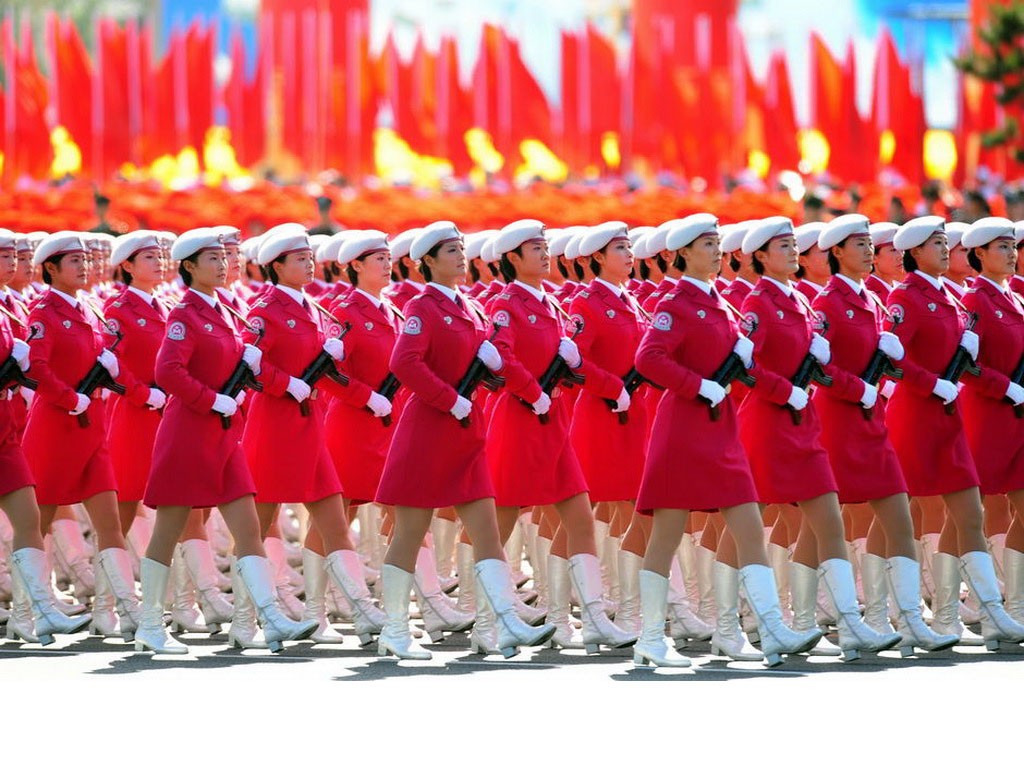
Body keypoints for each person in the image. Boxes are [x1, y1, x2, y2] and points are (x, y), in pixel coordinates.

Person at [632, 214, 822, 667]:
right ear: (683, 254)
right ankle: (650, 639)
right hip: (683, 428)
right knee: (667, 533)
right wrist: (697, 385)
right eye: (706, 243)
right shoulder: (675, 303)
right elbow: (648, 358)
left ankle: (772, 629)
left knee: (749, 524)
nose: (717, 250)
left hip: (720, 429)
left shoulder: (721, 302)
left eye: (718, 243)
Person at [374, 221, 555, 659]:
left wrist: (490, 373)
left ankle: (506, 623)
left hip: (464, 428)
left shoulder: (469, 306)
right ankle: (395, 630)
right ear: (428, 262)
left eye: (461, 248)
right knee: (410, 531)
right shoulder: (424, 306)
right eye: (449, 251)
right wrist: (447, 398)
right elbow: (405, 362)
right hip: (429, 429)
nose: (459, 256)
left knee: (487, 530)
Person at [134, 227, 318, 654]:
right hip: (188, 434)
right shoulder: (185, 314)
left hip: (223, 434)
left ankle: (268, 617)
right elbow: (168, 372)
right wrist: (210, 399)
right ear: (190, 267)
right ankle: (149, 625)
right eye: (211, 259)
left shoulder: (225, 313)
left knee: (248, 526)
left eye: (223, 257)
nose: (221, 265)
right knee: (169, 529)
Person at [738, 216, 901, 661]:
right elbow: (747, 367)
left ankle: (829, 623)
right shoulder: (759, 304)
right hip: (770, 424)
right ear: (760, 257)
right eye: (783, 246)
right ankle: (740, 623)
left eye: (795, 245)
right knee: (750, 528)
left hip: (802, 423)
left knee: (826, 522)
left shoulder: (798, 301)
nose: (794, 251)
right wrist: (785, 389)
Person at [484, 219, 636, 654]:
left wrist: (566, 370)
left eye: (544, 246)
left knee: (580, 516)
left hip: (554, 419)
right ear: (513, 258)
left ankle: (587, 620)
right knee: (504, 521)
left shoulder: (549, 302)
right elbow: (501, 357)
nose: (544, 253)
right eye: (534, 248)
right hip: (521, 417)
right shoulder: (507, 303)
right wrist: (534, 392)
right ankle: (488, 621)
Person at [812, 214, 959, 655]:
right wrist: (858, 386)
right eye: (858, 244)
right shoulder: (827, 303)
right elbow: (820, 368)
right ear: (836, 252)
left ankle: (903, 617)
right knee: (819, 526)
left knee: (898, 513)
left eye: (868, 244)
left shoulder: (872, 300)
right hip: (838, 419)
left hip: (871, 418)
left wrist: (888, 374)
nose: (869, 251)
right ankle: (816, 619)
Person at [884, 216, 1024, 649]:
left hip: (968, 413)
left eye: (1011, 246)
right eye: (937, 244)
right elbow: (895, 356)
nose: (948, 250)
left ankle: (999, 611)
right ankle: (914, 614)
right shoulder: (917, 296)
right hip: (941, 412)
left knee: (968, 513)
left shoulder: (975, 297)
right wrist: (999, 385)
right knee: (898, 514)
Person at [242, 228, 385, 646]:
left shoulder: (316, 310)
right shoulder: (264, 310)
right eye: (298, 259)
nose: (308, 264)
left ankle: (351, 610)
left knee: (334, 520)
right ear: (277, 266)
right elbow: (251, 366)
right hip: (274, 425)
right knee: (259, 525)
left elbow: (328, 372)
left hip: (310, 423)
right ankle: (243, 618)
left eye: (309, 257)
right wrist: (284, 383)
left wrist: (359, 392)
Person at [22, 232, 141, 641]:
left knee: (110, 522)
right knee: (40, 523)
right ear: (51, 270)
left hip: (91, 427)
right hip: (56, 427)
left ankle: (117, 609)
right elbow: (36, 366)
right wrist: (67, 396)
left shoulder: (88, 310)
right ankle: (26, 610)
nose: (83, 267)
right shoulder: (43, 313)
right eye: (73, 261)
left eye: (85, 260)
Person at [0, 229, 91, 644]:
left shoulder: (7, 310)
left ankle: (32, 611)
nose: (12, 263)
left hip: (5, 428)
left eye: (14, 256)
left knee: (29, 518)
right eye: (4, 256)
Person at [959, 217, 1024, 635]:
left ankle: (1014, 608)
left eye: (1012, 246)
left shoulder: (1014, 297)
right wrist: (1005, 388)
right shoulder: (975, 299)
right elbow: (966, 366)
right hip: (987, 416)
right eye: (1001, 247)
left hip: (1016, 417)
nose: (1011, 253)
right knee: (967, 513)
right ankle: (964, 605)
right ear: (979, 254)